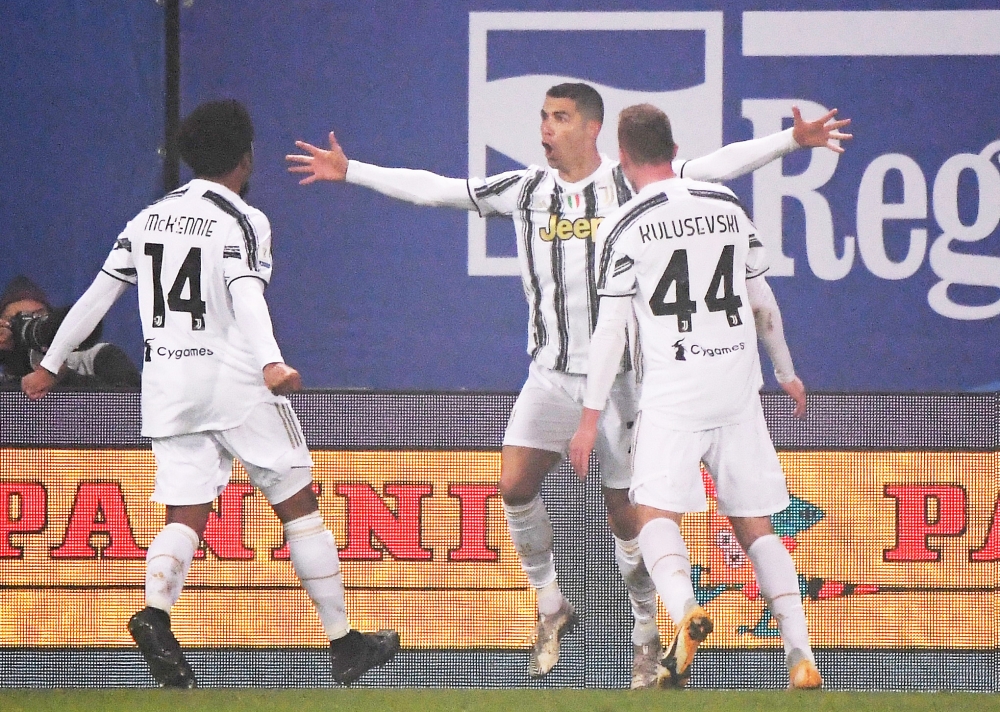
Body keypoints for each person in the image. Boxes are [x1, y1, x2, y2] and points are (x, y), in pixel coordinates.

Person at [286, 83, 849, 687]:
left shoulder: (629, 192)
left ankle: (645, 635)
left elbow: (717, 164)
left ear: (591, 129)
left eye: (558, 118)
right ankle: (552, 604)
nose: (546, 129)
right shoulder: (526, 190)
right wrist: (353, 172)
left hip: (625, 385)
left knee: (628, 519)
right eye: (543, 118)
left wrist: (793, 140)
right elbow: (438, 191)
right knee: (513, 484)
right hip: (553, 376)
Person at [22, 99, 399, 688]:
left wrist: (48, 364)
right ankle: (345, 643)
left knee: (185, 512)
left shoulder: (146, 220)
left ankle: (154, 616)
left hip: (167, 384)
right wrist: (272, 363)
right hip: (234, 380)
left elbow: (98, 296)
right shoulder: (243, 220)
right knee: (298, 502)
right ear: (246, 159)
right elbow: (248, 295)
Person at [569, 103, 821, 690]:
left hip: (674, 393)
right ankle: (800, 654)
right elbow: (762, 303)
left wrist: (588, 417)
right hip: (737, 389)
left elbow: (609, 332)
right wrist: (786, 371)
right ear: (675, 146)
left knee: (651, 511)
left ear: (623, 156)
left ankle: (685, 611)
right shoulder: (727, 207)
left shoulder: (624, 224)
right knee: (755, 525)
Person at [0, 275, 140, 390]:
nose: (25, 325)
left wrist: (64, 376)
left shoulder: (98, 356)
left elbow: (132, 406)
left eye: (37, 317)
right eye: (14, 321)